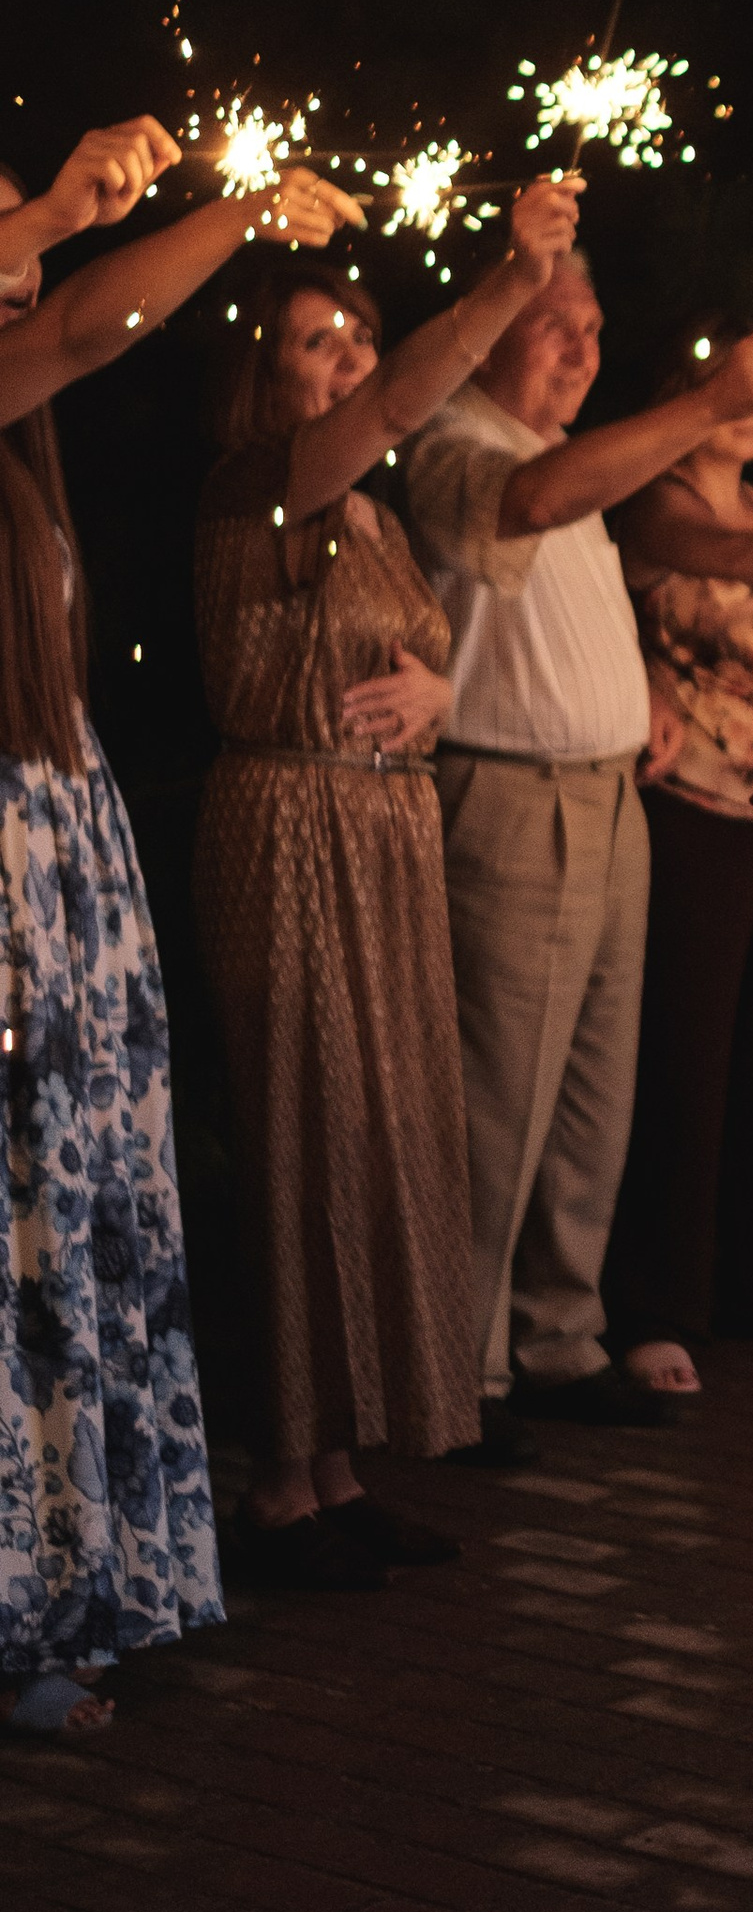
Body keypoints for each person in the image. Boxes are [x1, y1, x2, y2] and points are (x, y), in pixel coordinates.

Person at [3, 121, 359, 1739]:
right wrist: (232, 210)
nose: (34, 245)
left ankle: (71, 1572)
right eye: (5, 220)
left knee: (65, 1214)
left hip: (50, 842)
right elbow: (84, 319)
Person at [195, 175, 588, 1589]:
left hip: (381, 838)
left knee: (376, 1132)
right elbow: (404, 411)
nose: (353, 367)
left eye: (360, 342)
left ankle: (342, 1463)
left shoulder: (369, 515)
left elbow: (420, 647)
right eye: (321, 343)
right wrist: (510, 272)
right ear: (267, 371)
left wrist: (436, 687)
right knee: (305, 1128)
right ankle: (281, 1481)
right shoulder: (270, 484)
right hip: (293, 832)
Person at [402, 256, 753, 1447]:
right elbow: (529, 509)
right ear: (485, 335)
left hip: (608, 794)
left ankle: (556, 1334)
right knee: (500, 1096)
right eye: (551, 328)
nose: (579, 350)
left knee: (592, 1095)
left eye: (592, 326)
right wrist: (707, 400)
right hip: (512, 796)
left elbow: (586, 607)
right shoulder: (464, 442)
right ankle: (459, 1370)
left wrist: (632, 681)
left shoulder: (580, 462)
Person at [601, 325, 753, 1394]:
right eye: (723, 383)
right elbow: (723, 565)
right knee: (684, 1056)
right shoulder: (655, 503)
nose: (748, 404)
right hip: (688, 801)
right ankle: (655, 1305)